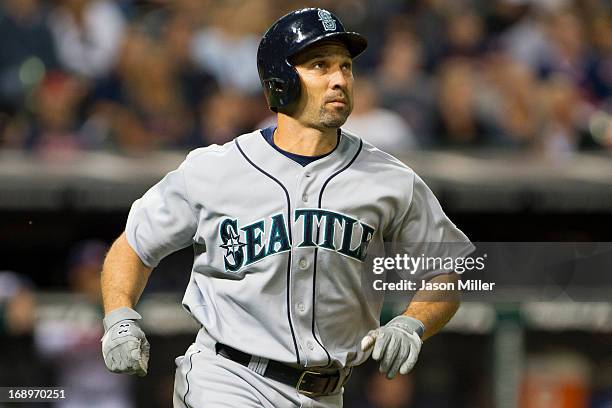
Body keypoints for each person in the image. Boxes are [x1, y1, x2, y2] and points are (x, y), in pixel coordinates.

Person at [100, 8, 473, 408]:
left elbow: (448, 269)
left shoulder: (389, 178)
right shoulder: (216, 168)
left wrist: (413, 323)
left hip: (328, 393)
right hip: (227, 379)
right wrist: (119, 317)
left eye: (346, 67)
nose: (340, 80)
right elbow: (134, 246)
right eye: (319, 65)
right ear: (280, 81)